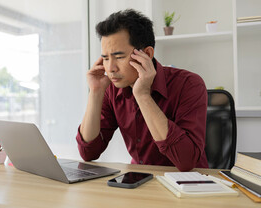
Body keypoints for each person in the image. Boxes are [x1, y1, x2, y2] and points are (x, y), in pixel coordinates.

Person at [76, 9, 208, 171]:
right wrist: (95, 92)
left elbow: (186, 162)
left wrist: (143, 95)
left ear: (147, 54)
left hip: (188, 184)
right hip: (140, 180)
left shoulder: (189, 84)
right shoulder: (111, 89)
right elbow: (88, 152)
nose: (110, 68)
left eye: (119, 57)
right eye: (105, 58)